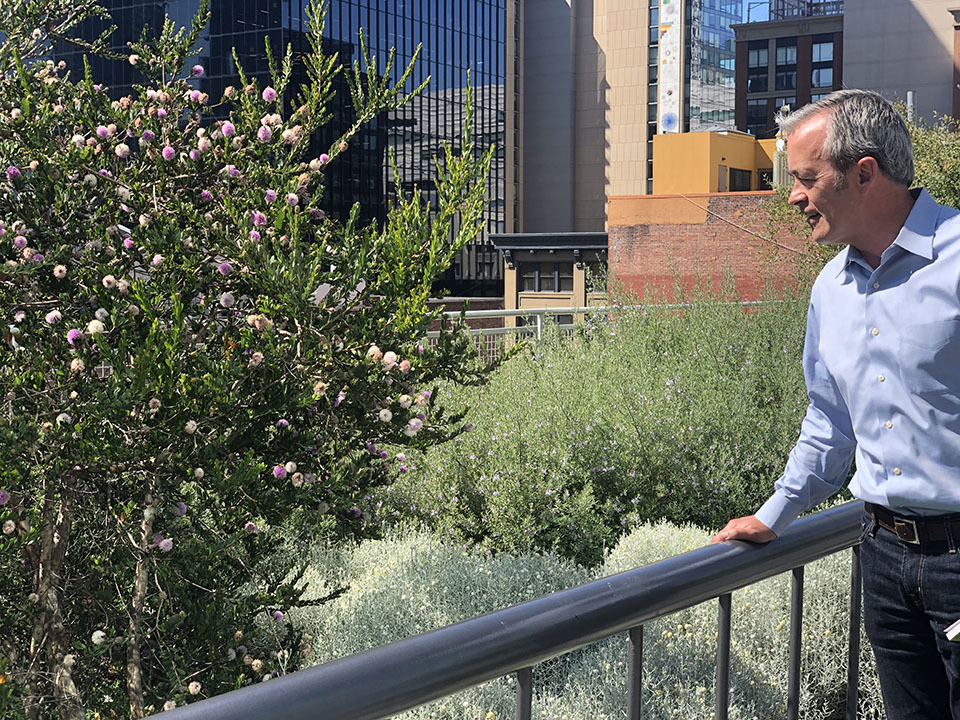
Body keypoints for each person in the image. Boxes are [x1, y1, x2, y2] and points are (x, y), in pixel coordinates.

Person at [712, 88, 960, 719]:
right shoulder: (830, 289)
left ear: (864, 173)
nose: (792, 196)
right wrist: (775, 515)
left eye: (804, 178)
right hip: (881, 556)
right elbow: (829, 423)